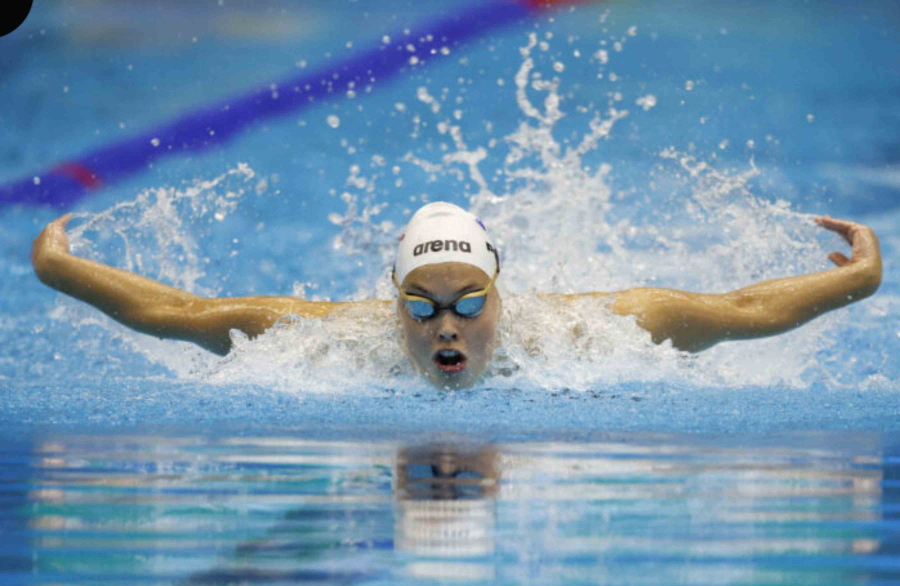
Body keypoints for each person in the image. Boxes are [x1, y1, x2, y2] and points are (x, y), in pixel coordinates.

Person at [31, 202, 882, 388]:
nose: (447, 324)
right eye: (423, 303)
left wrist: (861, 282)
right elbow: (180, 315)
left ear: (500, 294)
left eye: (469, 301)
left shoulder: (591, 333)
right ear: (393, 298)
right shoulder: (326, 341)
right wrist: (59, 270)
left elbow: (740, 314)